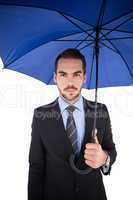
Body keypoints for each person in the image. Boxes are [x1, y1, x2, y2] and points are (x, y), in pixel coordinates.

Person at [28, 48, 117, 200]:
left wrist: (104, 159)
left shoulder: (100, 111)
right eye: (63, 74)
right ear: (55, 77)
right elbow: (36, 167)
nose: (70, 82)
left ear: (84, 77)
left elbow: (111, 150)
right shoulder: (40, 116)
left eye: (77, 74)